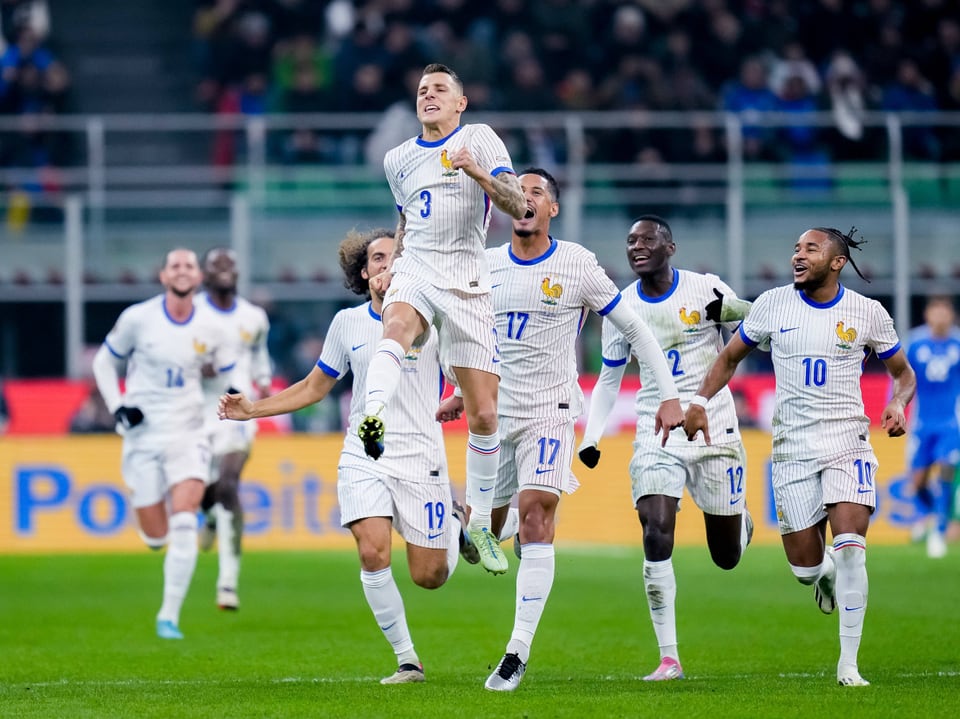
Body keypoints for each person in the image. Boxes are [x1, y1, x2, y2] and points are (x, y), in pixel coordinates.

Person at [437, 171, 684, 692]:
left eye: (535, 193)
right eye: (516, 192)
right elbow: (457, 333)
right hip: (492, 418)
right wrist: (459, 388)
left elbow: (635, 328)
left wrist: (668, 396)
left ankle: (516, 651)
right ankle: (474, 524)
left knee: (536, 516)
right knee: (481, 538)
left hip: (549, 411)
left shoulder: (576, 263)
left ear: (552, 207)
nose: (524, 200)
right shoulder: (482, 266)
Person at [219, 229, 462, 685]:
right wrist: (252, 408)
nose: (387, 265)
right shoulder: (347, 324)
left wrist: (465, 395)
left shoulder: (435, 318)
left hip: (422, 456)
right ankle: (408, 660)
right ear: (364, 272)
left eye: (396, 257)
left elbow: (470, 366)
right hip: (364, 452)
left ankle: (456, 522)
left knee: (430, 576)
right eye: (378, 259)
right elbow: (315, 386)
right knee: (373, 552)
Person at [683, 228, 916, 687]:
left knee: (852, 549)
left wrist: (897, 402)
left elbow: (902, 374)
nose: (798, 255)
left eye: (811, 249)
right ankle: (822, 575)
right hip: (791, 450)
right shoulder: (771, 304)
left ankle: (848, 664)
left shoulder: (867, 313)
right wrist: (698, 401)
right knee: (805, 568)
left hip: (848, 442)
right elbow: (730, 358)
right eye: (795, 248)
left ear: (837, 263)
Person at [359, 62, 527, 576]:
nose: (427, 96)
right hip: (418, 271)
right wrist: (393, 264)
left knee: (483, 415)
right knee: (396, 328)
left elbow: (518, 203)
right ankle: (374, 413)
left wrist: (475, 169)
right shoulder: (399, 159)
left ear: (460, 103)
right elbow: (406, 219)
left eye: (439, 90)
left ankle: (479, 523)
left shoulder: (480, 138)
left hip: (469, 283)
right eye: (421, 90)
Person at [578, 215, 754, 682]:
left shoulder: (705, 289)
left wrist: (738, 311)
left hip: (714, 429)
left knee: (727, 556)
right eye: (631, 241)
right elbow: (609, 379)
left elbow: (756, 320)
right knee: (656, 529)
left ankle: (741, 521)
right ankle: (669, 656)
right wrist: (591, 437)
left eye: (647, 239)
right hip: (655, 431)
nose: (636, 246)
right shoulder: (621, 309)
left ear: (670, 247)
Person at [91, 248, 236, 640]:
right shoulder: (138, 319)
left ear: (198, 276)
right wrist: (119, 406)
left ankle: (168, 616)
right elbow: (103, 363)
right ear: (163, 275)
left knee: (184, 519)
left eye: (190, 265)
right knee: (156, 538)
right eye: (176, 265)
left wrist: (222, 412)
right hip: (143, 434)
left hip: (188, 432)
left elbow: (228, 377)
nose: (183, 271)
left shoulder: (212, 327)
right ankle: (170, 535)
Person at [196, 247, 272, 609]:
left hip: (238, 411)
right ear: (205, 274)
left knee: (228, 484)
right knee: (200, 490)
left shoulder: (253, 317)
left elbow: (258, 352)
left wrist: (264, 380)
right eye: (217, 266)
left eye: (230, 265)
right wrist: (197, 368)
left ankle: (227, 583)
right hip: (196, 413)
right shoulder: (193, 313)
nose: (225, 270)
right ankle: (209, 516)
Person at [904, 295, 960, 558]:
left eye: (944, 311)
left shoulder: (958, 342)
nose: (940, 316)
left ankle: (938, 531)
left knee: (947, 469)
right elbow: (901, 376)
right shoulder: (915, 343)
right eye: (935, 310)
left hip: (951, 421)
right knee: (917, 482)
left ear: (951, 315)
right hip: (921, 421)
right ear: (927, 314)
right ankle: (928, 514)